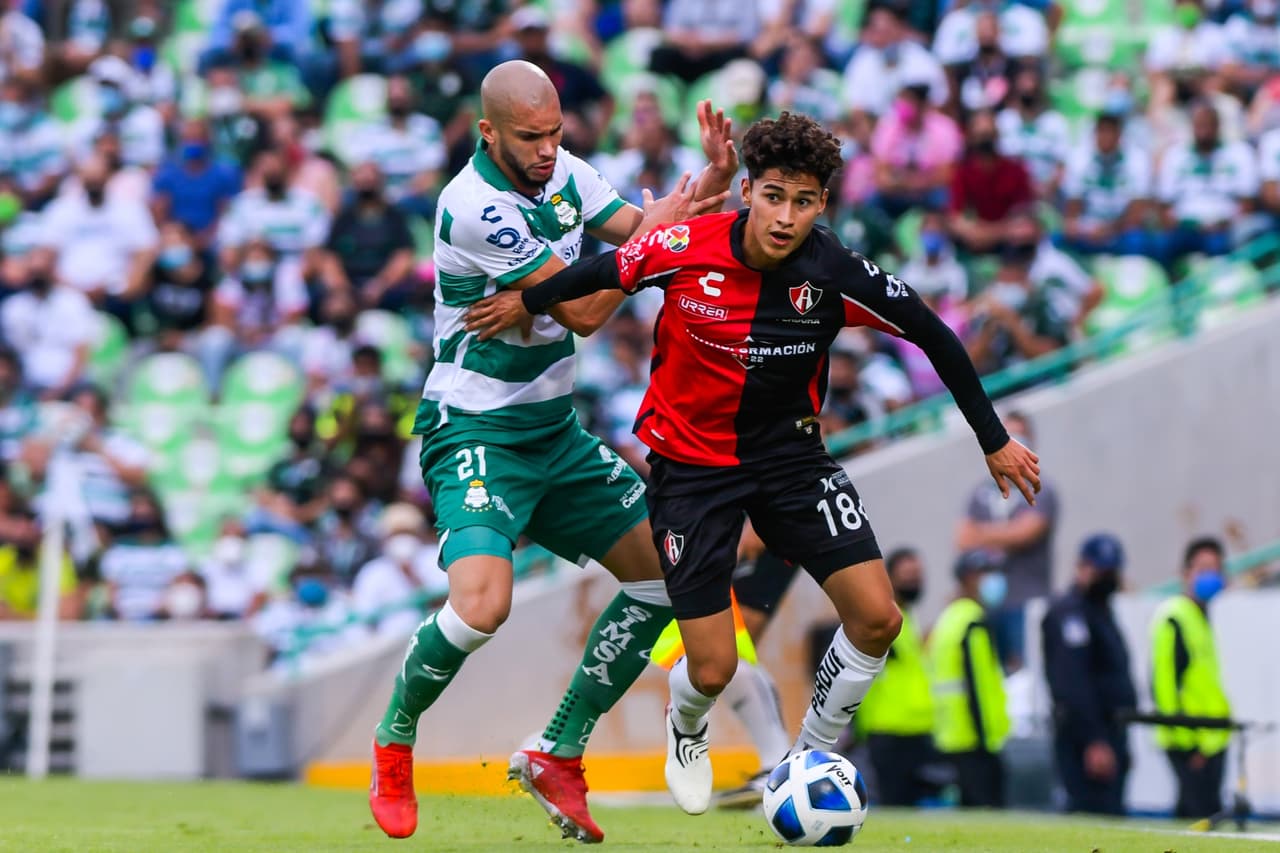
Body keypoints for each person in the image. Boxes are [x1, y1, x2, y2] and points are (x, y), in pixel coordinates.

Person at [465, 111, 1040, 816]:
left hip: (792, 461)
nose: (786, 216)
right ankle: (689, 721)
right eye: (773, 195)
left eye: (803, 201)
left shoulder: (834, 271)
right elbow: (602, 268)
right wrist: (525, 298)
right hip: (691, 470)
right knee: (712, 665)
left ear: (822, 204)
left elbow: (935, 335)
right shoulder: (682, 247)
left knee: (879, 619)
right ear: (747, 191)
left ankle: (806, 757)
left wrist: (992, 439)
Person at [367, 60, 738, 843]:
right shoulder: (473, 206)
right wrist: (644, 250)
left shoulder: (563, 170)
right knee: (482, 606)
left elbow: (638, 233)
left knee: (665, 577)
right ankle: (396, 737)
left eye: (555, 133)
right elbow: (586, 310)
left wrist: (697, 193)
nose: (547, 150)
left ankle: (556, 750)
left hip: (552, 430)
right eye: (531, 138)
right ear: (488, 133)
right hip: (474, 429)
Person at [1041, 533, 1137, 815]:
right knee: (1091, 818)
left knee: (1112, 815)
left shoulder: (1100, 611)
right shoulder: (1069, 613)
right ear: (1082, 567)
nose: (1107, 578)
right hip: (1086, 738)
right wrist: (1094, 740)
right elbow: (1072, 684)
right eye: (1101, 571)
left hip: (1111, 732)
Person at [954, 410, 1057, 671]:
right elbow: (963, 539)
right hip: (988, 607)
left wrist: (984, 534)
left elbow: (1026, 533)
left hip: (1028, 602)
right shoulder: (980, 493)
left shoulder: (1040, 487)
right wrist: (1005, 533)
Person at [1150, 536, 1232, 819]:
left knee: (1202, 817)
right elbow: (1165, 686)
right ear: (1186, 573)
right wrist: (1188, 745)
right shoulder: (1175, 616)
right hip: (1192, 741)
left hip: (1211, 739)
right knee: (1195, 817)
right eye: (1203, 568)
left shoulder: (1200, 616)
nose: (1211, 576)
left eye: (1216, 569)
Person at [856, 547, 938, 806]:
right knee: (894, 805)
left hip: (917, 728)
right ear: (889, 578)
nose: (913, 580)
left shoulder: (909, 618)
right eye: (906, 574)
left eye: (917, 574)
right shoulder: (879, 620)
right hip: (887, 730)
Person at [928, 550, 1011, 808]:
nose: (991, 580)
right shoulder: (972, 621)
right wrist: (987, 741)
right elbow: (978, 686)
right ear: (966, 578)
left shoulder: (949, 618)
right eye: (984, 573)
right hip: (975, 740)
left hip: (952, 736)